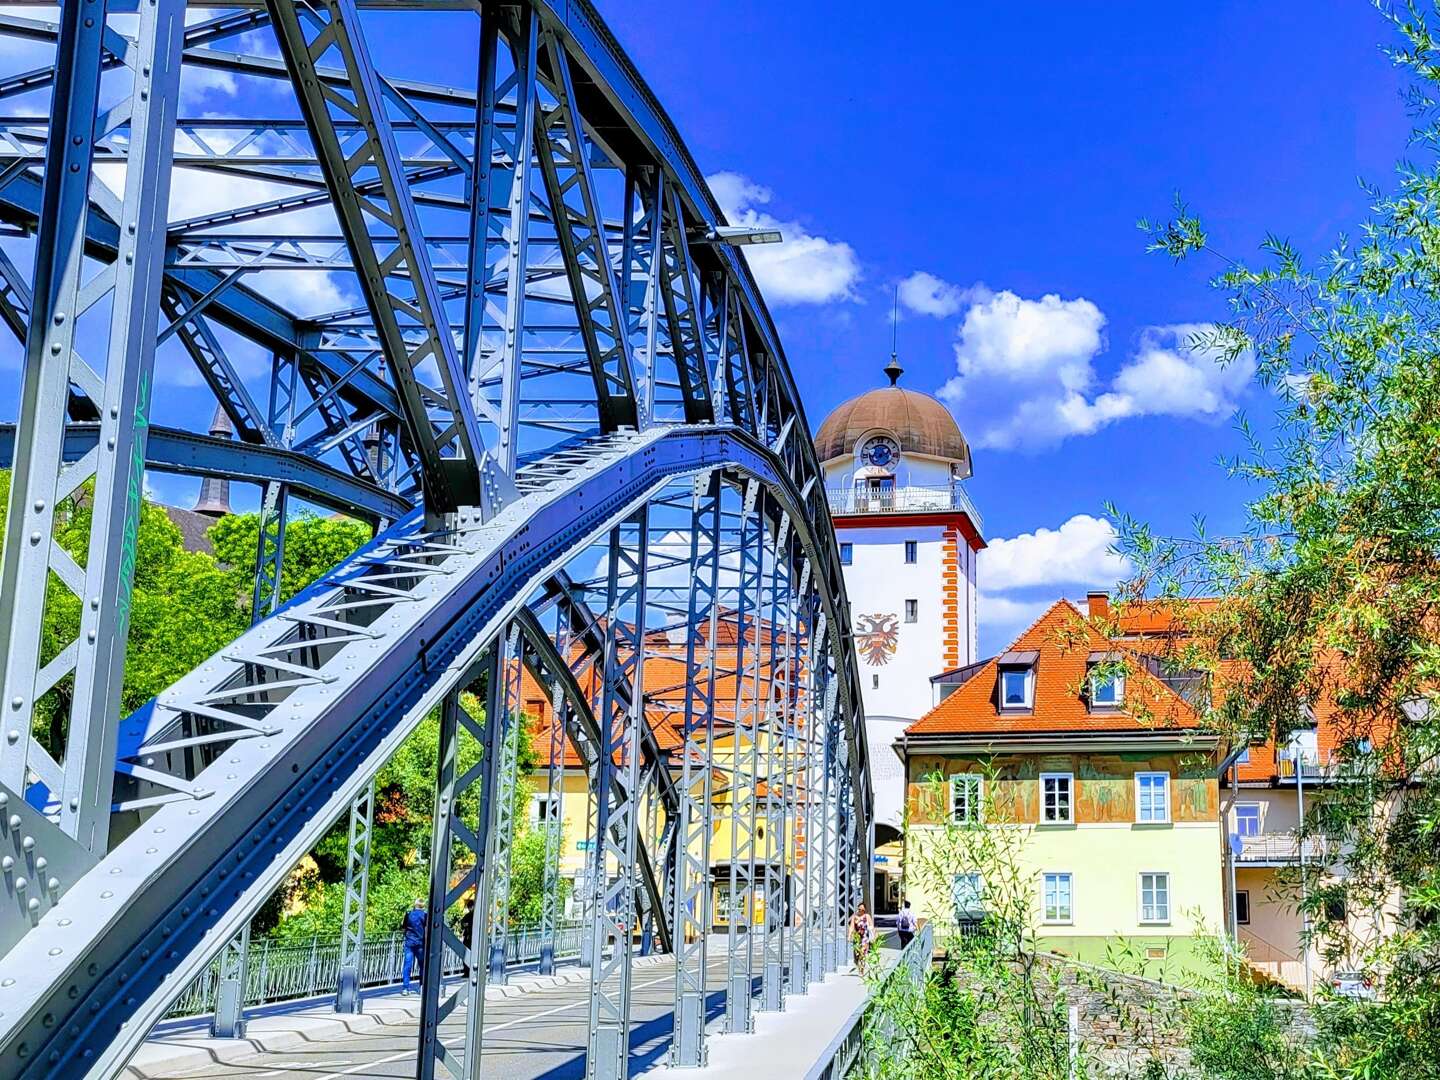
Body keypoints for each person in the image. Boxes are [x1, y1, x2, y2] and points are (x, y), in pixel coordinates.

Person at [401, 898, 427, 994]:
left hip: (409, 943)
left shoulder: (408, 914)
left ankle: (405, 988)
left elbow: (403, 928)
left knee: (407, 965)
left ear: (415, 905)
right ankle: (421, 986)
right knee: (422, 965)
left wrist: (407, 936)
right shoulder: (425, 915)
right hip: (420, 943)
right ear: (423, 906)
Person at [848, 902, 874, 975]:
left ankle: (861, 970)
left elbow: (871, 926)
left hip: (865, 938)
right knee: (856, 955)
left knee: (862, 954)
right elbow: (851, 927)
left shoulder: (867, 916)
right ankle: (857, 962)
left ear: (864, 910)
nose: (861, 911)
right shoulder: (854, 917)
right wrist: (849, 936)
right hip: (857, 938)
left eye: (862, 910)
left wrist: (873, 936)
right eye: (859, 909)